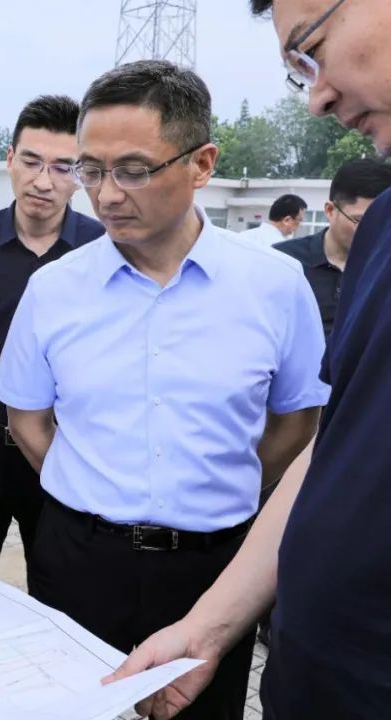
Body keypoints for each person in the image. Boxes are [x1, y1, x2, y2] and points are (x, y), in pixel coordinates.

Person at [0, 60, 328, 720]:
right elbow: (28, 421)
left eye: (133, 170)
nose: (106, 194)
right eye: (91, 170)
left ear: (202, 164)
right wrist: (98, 484)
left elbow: (297, 423)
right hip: (79, 559)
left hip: (214, 569)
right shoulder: (55, 290)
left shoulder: (274, 287)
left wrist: (218, 479)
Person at [106, 2, 391, 718]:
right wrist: (207, 630)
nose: (318, 96)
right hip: (316, 676)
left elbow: (295, 424)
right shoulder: (383, 231)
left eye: (314, 47)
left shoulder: (270, 281)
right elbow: (336, 445)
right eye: (301, 70)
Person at [0, 95, 103, 586]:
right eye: (32, 161)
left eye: (62, 167)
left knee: (59, 582)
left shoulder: (103, 250)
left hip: (63, 443)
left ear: (81, 174)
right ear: (10, 159)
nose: (43, 181)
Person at [275, 158, 391, 340]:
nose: (373, 232)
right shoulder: (283, 261)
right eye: (361, 221)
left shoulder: (384, 268)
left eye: (383, 223)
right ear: (330, 210)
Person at [239, 193, 307, 246]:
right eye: (299, 220)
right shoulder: (281, 247)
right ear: (287, 220)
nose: (300, 225)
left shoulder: (242, 236)